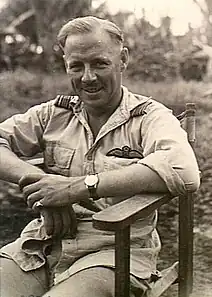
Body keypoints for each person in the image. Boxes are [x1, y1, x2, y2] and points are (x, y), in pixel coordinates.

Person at [0, 16, 200, 297]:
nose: (88, 77)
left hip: (115, 251)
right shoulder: (52, 114)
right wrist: (40, 182)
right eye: (76, 66)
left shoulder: (149, 116)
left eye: (100, 63)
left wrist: (77, 188)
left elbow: (184, 170)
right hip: (43, 242)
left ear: (123, 60)